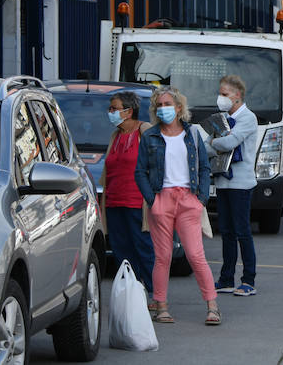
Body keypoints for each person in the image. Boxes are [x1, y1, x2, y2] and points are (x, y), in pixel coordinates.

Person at [134, 85, 221, 326]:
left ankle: (212, 306)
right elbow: (140, 171)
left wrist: (201, 199)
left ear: (179, 107)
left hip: (188, 200)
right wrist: (153, 200)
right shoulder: (150, 135)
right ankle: (161, 306)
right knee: (162, 257)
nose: (163, 109)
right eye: (159, 106)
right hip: (162, 199)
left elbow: (204, 167)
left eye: (167, 105)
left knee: (195, 255)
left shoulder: (192, 134)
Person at [209, 74, 260, 297]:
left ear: (237, 95)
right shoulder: (221, 119)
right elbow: (210, 148)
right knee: (227, 232)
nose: (221, 98)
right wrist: (214, 144)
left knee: (242, 231)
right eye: (220, 94)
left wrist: (213, 142)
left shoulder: (247, 118)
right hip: (223, 181)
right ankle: (226, 278)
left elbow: (229, 142)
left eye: (225, 94)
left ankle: (248, 279)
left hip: (240, 183)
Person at [102, 90, 154, 294]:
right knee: (121, 252)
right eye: (110, 108)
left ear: (128, 111)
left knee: (144, 249)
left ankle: (155, 295)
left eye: (114, 108)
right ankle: (131, 295)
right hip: (114, 203)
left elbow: (157, 164)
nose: (110, 112)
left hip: (137, 203)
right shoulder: (116, 136)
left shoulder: (145, 131)